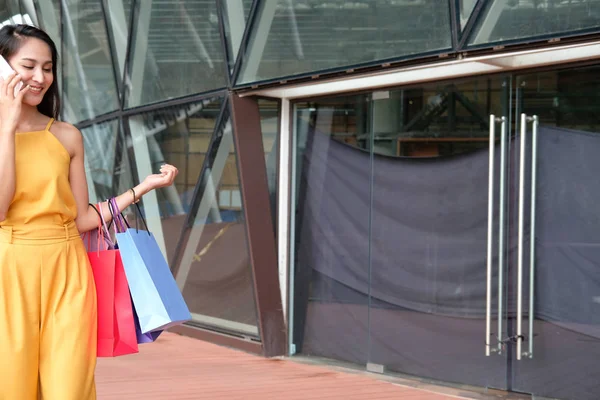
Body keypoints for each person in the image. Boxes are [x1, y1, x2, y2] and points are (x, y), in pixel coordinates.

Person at [0, 24, 178, 399]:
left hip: (68, 268)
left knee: (70, 388)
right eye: (28, 65)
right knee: (10, 386)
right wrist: (7, 126)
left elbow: (82, 219)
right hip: (8, 268)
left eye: (47, 68)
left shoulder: (66, 135)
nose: (39, 77)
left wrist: (141, 188)